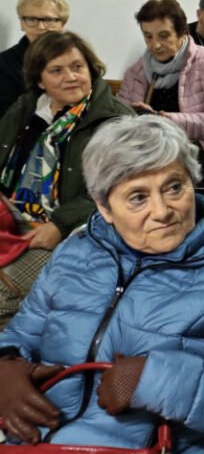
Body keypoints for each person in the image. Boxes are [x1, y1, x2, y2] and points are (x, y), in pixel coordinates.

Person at [0, 114, 204, 454]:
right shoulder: (75, 254)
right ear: (104, 208)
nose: (162, 210)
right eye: (138, 197)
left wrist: (153, 380)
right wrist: (5, 364)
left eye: (175, 187)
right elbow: (22, 333)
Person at [0, 31, 132, 326]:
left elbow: (116, 191)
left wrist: (59, 224)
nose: (70, 77)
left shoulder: (114, 121)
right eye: (56, 70)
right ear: (39, 80)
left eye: (77, 67)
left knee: (0, 295)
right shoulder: (26, 109)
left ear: (91, 69)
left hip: (70, 234)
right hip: (9, 219)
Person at [119, 0, 204, 183]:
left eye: (164, 36)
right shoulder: (136, 73)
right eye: (148, 36)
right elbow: (117, 122)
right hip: (149, 151)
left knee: (157, 170)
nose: (155, 45)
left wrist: (171, 122)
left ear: (181, 34)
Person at [0, 0, 69, 116]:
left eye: (48, 20)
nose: (40, 27)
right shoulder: (4, 64)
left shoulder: (78, 60)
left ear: (62, 24)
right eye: (32, 20)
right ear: (22, 24)